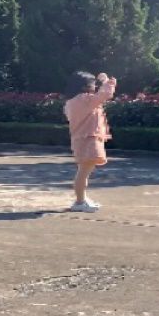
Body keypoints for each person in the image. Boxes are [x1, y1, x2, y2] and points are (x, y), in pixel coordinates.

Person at [63, 70, 117, 213]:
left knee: (83, 171)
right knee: (83, 172)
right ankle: (80, 202)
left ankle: (82, 199)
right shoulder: (84, 99)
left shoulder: (71, 102)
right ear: (84, 86)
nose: (95, 86)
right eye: (93, 84)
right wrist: (106, 82)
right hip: (89, 139)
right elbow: (105, 94)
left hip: (80, 139)